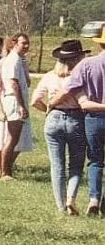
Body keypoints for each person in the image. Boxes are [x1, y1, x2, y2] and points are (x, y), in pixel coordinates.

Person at [49, 30, 105, 215]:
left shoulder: (88, 64)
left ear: (99, 43)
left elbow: (68, 89)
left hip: (93, 118)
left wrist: (51, 103)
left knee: (95, 161)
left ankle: (93, 199)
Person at [32, 40, 87, 215]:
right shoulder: (78, 78)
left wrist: (48, 110)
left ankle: (60, 206)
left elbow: (34, 101)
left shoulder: (49, 76)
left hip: (54, 118)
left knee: (57, 165)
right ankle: (71, 198)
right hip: (75, 118)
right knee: (76, 164)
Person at [0, 32, 33, 180]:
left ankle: (7, 170)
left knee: (14, 138)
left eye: (28, 43)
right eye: (23, 43)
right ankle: (5, 172)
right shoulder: (13, 60)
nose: (26, 46)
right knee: (11, 138)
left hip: (16, 100)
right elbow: (13, 83)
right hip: (13, 100)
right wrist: (21, 105)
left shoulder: (19, 60)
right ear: (14, 43)